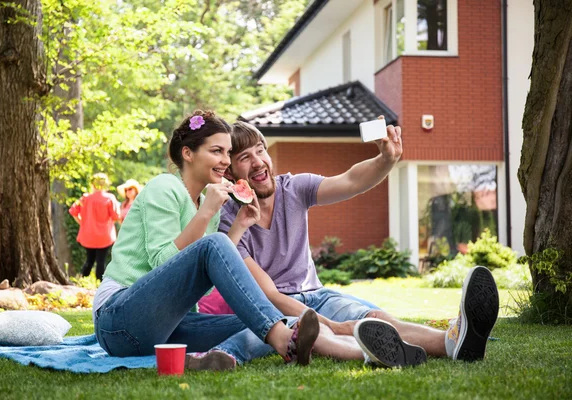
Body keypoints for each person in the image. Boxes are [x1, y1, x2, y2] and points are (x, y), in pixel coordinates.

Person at [201, 119, 499, 368]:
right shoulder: (230, 222)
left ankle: (454, 342)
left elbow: (351, 181)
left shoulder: (295, 188)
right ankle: (374, 353)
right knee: (302, 331)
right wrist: (331, 324)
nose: (258, 162)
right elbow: (269, 294)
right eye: (245, 158)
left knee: (375, 318)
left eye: (261, 151)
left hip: (318, 295)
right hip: (276, 309)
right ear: (231, 172)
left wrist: (386, 159)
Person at [92, 110, 330, 370]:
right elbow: (161, 262)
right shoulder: (164, 187)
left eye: (228, 153)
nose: (226, 161)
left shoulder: (208, 205)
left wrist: (238, 227)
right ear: (188, 153)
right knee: (218, 247)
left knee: (263, 320)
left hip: (165, 329)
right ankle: (284, 341)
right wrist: (206, 214)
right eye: (217, 151)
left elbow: (201, 286)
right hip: (118, 320)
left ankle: (216, 358)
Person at [69, 173, 120, 281]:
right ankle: (99, 284)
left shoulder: (85, 198)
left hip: (88, 234)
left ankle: (80, 280)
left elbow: (73, 211)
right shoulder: (109, 198)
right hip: (105, 236)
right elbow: (116, 216)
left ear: (92, 184)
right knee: (101, 261)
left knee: (89, 259)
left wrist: (82, 222)